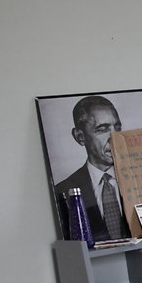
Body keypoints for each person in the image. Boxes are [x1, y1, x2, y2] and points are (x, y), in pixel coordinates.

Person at [53, 95, 128, 242]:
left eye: (117, 128)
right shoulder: (64, 191)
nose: (114, 137)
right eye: (102, 129)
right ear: (80, 136)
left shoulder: (141, 180)